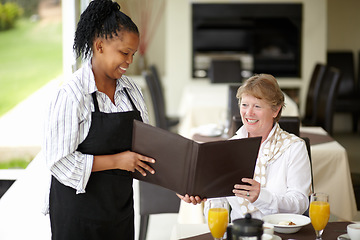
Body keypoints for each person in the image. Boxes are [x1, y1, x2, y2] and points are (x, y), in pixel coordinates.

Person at [42, 1, 155, 239]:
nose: (129, 61)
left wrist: (181, 183)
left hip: (119, 212)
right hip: (78, 216)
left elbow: (146, 148)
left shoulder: (131, 91)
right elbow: (59, 162)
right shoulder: (72, 95)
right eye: (124, 53)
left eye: (132, 54)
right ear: (100, 45)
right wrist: (117, 161)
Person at [180, 74, 311, 220]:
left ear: (275, 110)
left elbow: (301, 202)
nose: (249, 113)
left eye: (257, 106)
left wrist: (262, 196)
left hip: (281, 231)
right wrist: (203, 197)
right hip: (239, 232)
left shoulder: (294, 147)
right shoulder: (229, 148)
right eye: (244, 105)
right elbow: (218, 201)